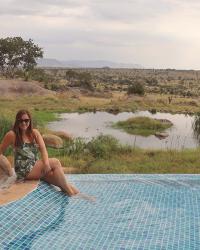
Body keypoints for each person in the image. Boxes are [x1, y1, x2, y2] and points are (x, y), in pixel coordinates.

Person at [0, 109, 79, 196]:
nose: (23, 123)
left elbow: (43, 149)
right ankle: (70, 194)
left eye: (26, 120)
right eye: (21, 120)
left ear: (30, 121)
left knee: (68, 186)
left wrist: (46, 163)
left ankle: (71, 192)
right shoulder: (12, 134)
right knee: (55, 162)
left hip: (35, 166)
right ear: (17, 121)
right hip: (23, 169)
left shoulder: (35, 133)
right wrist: (4, 164)